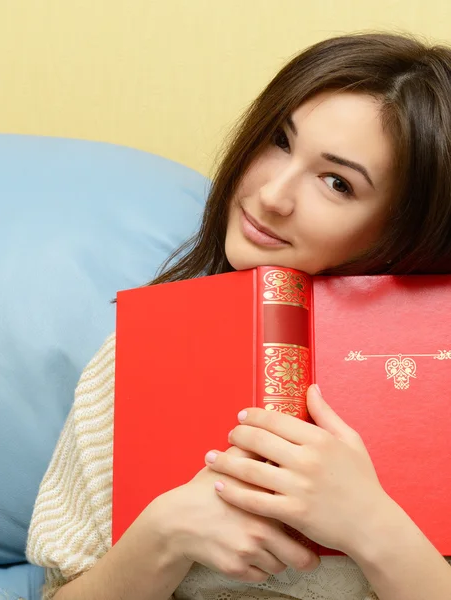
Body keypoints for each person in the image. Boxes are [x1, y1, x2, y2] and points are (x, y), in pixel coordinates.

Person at [26, 32, 451, 600]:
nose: (273, 194)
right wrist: (163, 537)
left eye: (337, 182)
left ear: (407, 229)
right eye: (278, 140)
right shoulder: (135, 355)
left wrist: (374, 530)